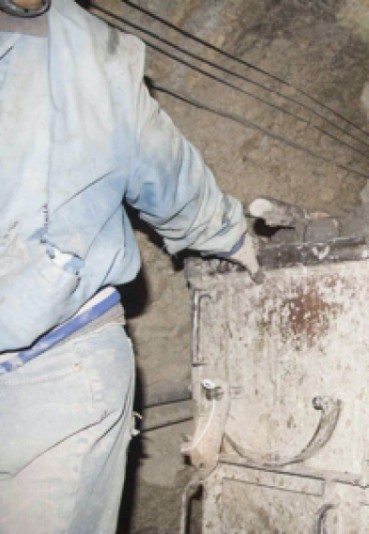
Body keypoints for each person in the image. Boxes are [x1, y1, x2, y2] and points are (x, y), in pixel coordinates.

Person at [0, 0, 259, 531]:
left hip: (51, 367)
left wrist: (230, 235)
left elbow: (161, 169)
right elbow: (164, 172)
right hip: (56, 365)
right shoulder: (82, 49)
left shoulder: (77, 48)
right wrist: (231, 236)